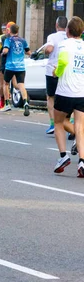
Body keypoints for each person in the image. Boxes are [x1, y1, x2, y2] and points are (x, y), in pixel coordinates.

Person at [52, 17, 84, 176]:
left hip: (65, 91)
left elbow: (63, 61)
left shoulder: (65, 44)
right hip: (82, 92)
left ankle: (63, 156)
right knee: (80, 126)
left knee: (59, 121)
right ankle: (82, 162)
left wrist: (56, 72)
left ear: (68, 31)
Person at [44, 16, 68, 135]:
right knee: (68, 97)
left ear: (56, 25)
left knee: (51, 97)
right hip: (67, 71)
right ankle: (70, 122)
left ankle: (53, 123)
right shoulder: (70, 37)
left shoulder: (52, 37)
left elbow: (49, 48)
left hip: (52, 70)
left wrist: (45, 51)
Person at [1, 23, 31, 116]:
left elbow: (5, 50)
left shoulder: (8, 40)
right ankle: (25, 102)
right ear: (17, 31)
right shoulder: (23, 40)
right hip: (21, 66)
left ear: (10, 31)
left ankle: (7, 103)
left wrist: (3, 53)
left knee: (5, 84)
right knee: (21, 85)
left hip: (10, 66)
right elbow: (28, 52)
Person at [0, 24, 8, 109]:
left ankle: (3, 102)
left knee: (3, 83)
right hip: (15, 64)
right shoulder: (18, 39)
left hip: (5, 62)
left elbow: (1, 47)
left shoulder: (3, 37)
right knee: (15, 84)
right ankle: (25, 98)